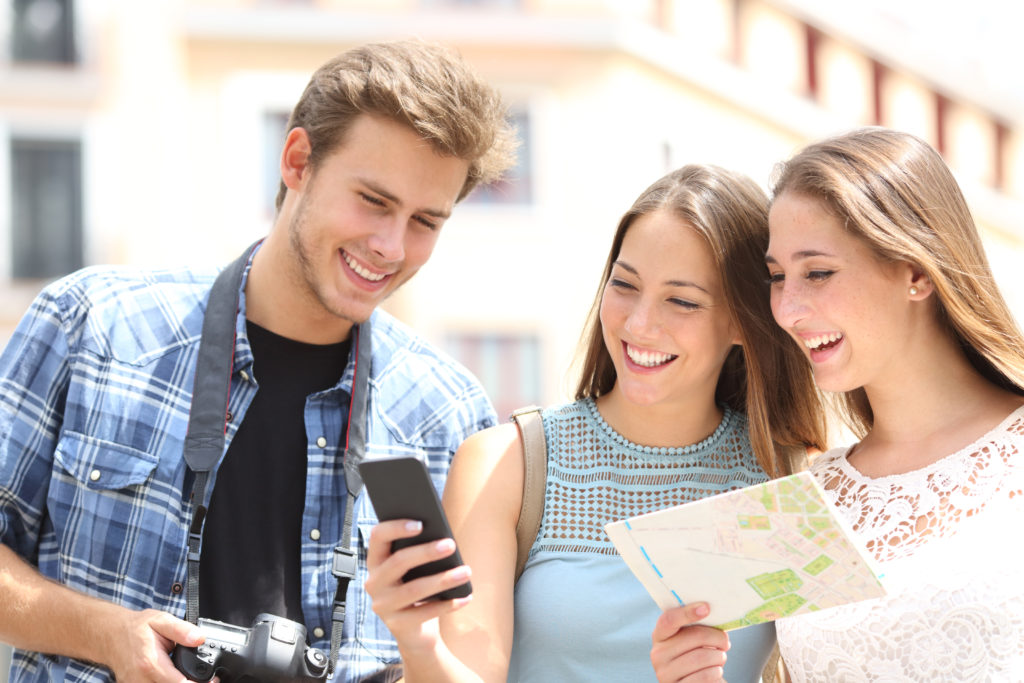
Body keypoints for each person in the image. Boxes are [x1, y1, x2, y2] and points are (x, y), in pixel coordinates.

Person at [0, 40, 517, 683]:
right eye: (373, 201)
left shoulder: (450, 413)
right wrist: (109, 634)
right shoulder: (91, 324)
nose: (390, 246)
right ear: (297, 161)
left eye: (425, 222)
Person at [364, 164, 828, 682]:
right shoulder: (506, 464)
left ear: (743, 321)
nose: (638, 324)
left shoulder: (792, 478)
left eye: (681, 301)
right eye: (625, 286)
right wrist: (418, 644)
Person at [655, 126, 1024, 681]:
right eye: (778, 277)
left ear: (917, 271)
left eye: (818, 273)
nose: (789, 309)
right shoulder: (812, 497)